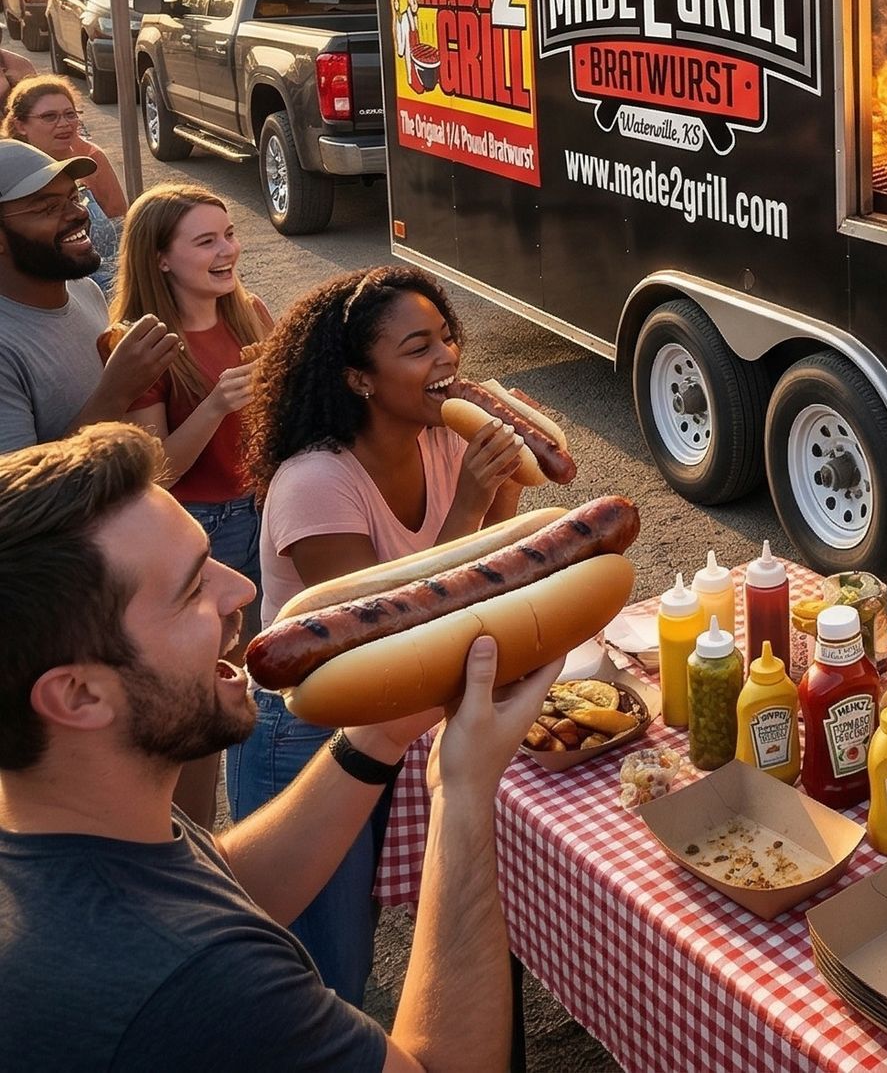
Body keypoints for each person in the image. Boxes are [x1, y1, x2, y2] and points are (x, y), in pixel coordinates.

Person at [0, 421, 558, 1071]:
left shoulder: (64, 809)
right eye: (190, 591)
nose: (242, 590)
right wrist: (463, 789)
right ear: (78, 695)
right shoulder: (204, 982)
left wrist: (376, 735)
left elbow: (224, 882)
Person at [229, 264, 529, 1003]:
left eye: (448, 337)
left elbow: (494, 569)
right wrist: (467, 504)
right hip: (305, 732)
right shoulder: (314, 482)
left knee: (365, 935)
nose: (448, 358)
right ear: (361, 378)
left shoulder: (443, 440)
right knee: (326, 970)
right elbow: (379, 630)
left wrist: (509, 482)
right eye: (419, 346)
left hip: (394, 718)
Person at [111, 183, 274, 829]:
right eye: (205, 240)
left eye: (229, 233)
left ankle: (266, 823)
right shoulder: (143, 343)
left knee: (274, 686)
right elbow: (157, 470)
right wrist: (215, 404)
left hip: (267, 509)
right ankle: (197, 841)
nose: (227, 249)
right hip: (202, 530)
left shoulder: (252, 313)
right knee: (207, 698)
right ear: (160, 258)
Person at [0, 141, 176, 452]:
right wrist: (117, 391)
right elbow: (18, 495)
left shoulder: (84, 289)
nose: (79, 213)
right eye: (48, 207)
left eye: (75, 196)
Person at [2, 74, 129, 298]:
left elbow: (122, 224)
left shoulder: (92, 158)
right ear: (20, 125)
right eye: (49, 117)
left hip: (117, 292)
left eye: (70, 114)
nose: (64, 124)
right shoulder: (10, 172)